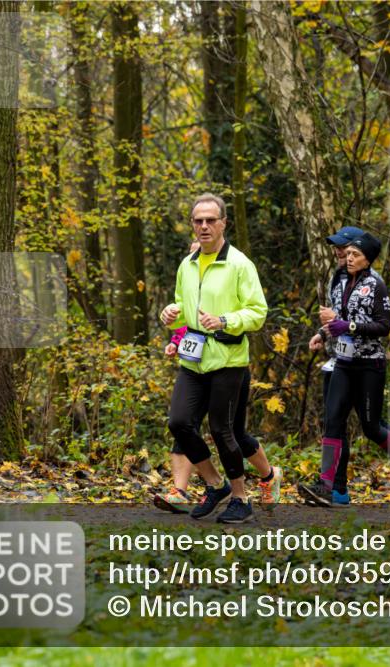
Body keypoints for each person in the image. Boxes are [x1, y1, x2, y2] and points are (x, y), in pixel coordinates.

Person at [160, 193, 269, 523]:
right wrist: (171, 315)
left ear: (223, 223)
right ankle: (214, 484)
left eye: (210, 220)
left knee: (223, 430)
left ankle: (241, 498)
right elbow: (183, 308)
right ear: (192, 225)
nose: (204, 226)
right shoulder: (187, 264)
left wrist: (225, 321)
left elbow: (258, 312)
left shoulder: (239, 264)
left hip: (227, 359)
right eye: (198, 221)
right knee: (179, 422)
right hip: (193, 359)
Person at [298, 232, 390, 507]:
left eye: (352, 253)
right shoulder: (339, 278)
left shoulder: (375, 284)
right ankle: (328, 485)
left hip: (369, 364)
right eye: (346, 254)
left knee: (370, 426)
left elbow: (383, 326)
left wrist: (347, 326)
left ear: (366, 257)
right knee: (333, 420)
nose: (345, 257)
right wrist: (323, 332)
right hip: (342, 363)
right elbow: (337, 314)